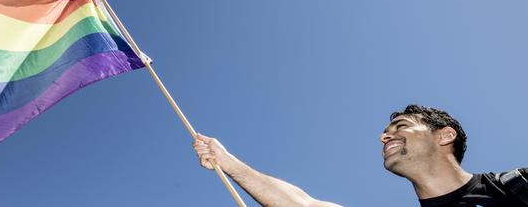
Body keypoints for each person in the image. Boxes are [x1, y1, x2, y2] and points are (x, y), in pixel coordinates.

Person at [193, 104, 528, 206]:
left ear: (445, 136)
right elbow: (303, 205)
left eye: (400, 125)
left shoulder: (515, 186)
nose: (385, 135)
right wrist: (227, 162)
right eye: (386, 130)